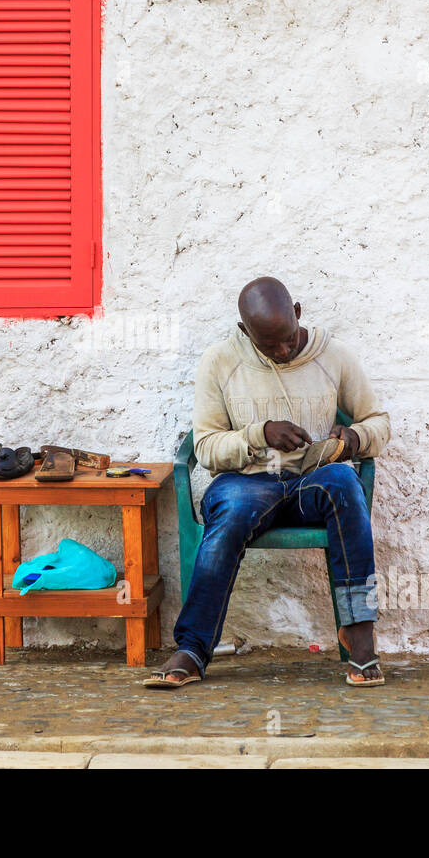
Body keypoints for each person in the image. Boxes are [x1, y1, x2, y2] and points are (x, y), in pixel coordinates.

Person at [144, 277, 391, 689]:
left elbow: (377, 422)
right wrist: (258, 435)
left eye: (288, 340)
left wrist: (353, 439)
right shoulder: (220, 361)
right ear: (245, 332)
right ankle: (192, 649)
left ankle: (359, 634)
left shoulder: (335, 355)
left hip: (312, 480)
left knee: (344, 486)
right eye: (269, 345)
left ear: (297, 313)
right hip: (247, 483)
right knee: (232, 514)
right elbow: (205, 447)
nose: (282, 351)